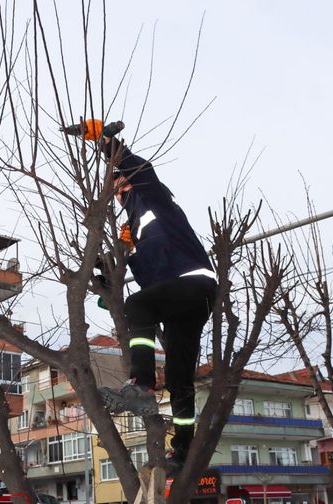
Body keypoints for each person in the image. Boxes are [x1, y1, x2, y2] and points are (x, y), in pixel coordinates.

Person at [63, 119, 217, 471]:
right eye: (116, 191)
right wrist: (108, 274)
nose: (120, 192)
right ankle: (182, 452)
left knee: (139, 304)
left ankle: (142, 384)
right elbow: (133, 282)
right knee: (179, 379)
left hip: (194, 281)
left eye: (122, 185)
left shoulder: (157, 200)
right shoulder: (135, 236)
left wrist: (103, 140)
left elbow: (138, 167)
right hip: (185, 303)